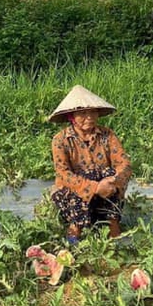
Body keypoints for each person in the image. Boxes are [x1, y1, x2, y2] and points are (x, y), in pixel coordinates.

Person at [47, 85, 132, 243]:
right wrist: (94, 187)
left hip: (107, 190)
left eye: (93, 112)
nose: (90, 117)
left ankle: (114, 230)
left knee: (108, 174)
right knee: (83, 182)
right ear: (71, 116)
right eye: (83, 113)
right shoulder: (60, 140)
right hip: (74, 195)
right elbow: (63, 174)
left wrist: (114, 181)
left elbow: (124, 163)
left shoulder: (107, 135)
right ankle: (74, 233)